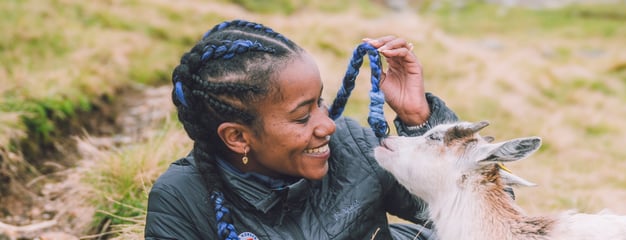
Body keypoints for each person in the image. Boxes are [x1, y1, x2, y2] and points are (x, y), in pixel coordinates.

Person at [144, 19, 460, 240]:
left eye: (320, 102)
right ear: (238, 137)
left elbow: (479, 215)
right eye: (301, 117)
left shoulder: (352, 146)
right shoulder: (181, 200)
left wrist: (418, 117)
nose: (328, 125)